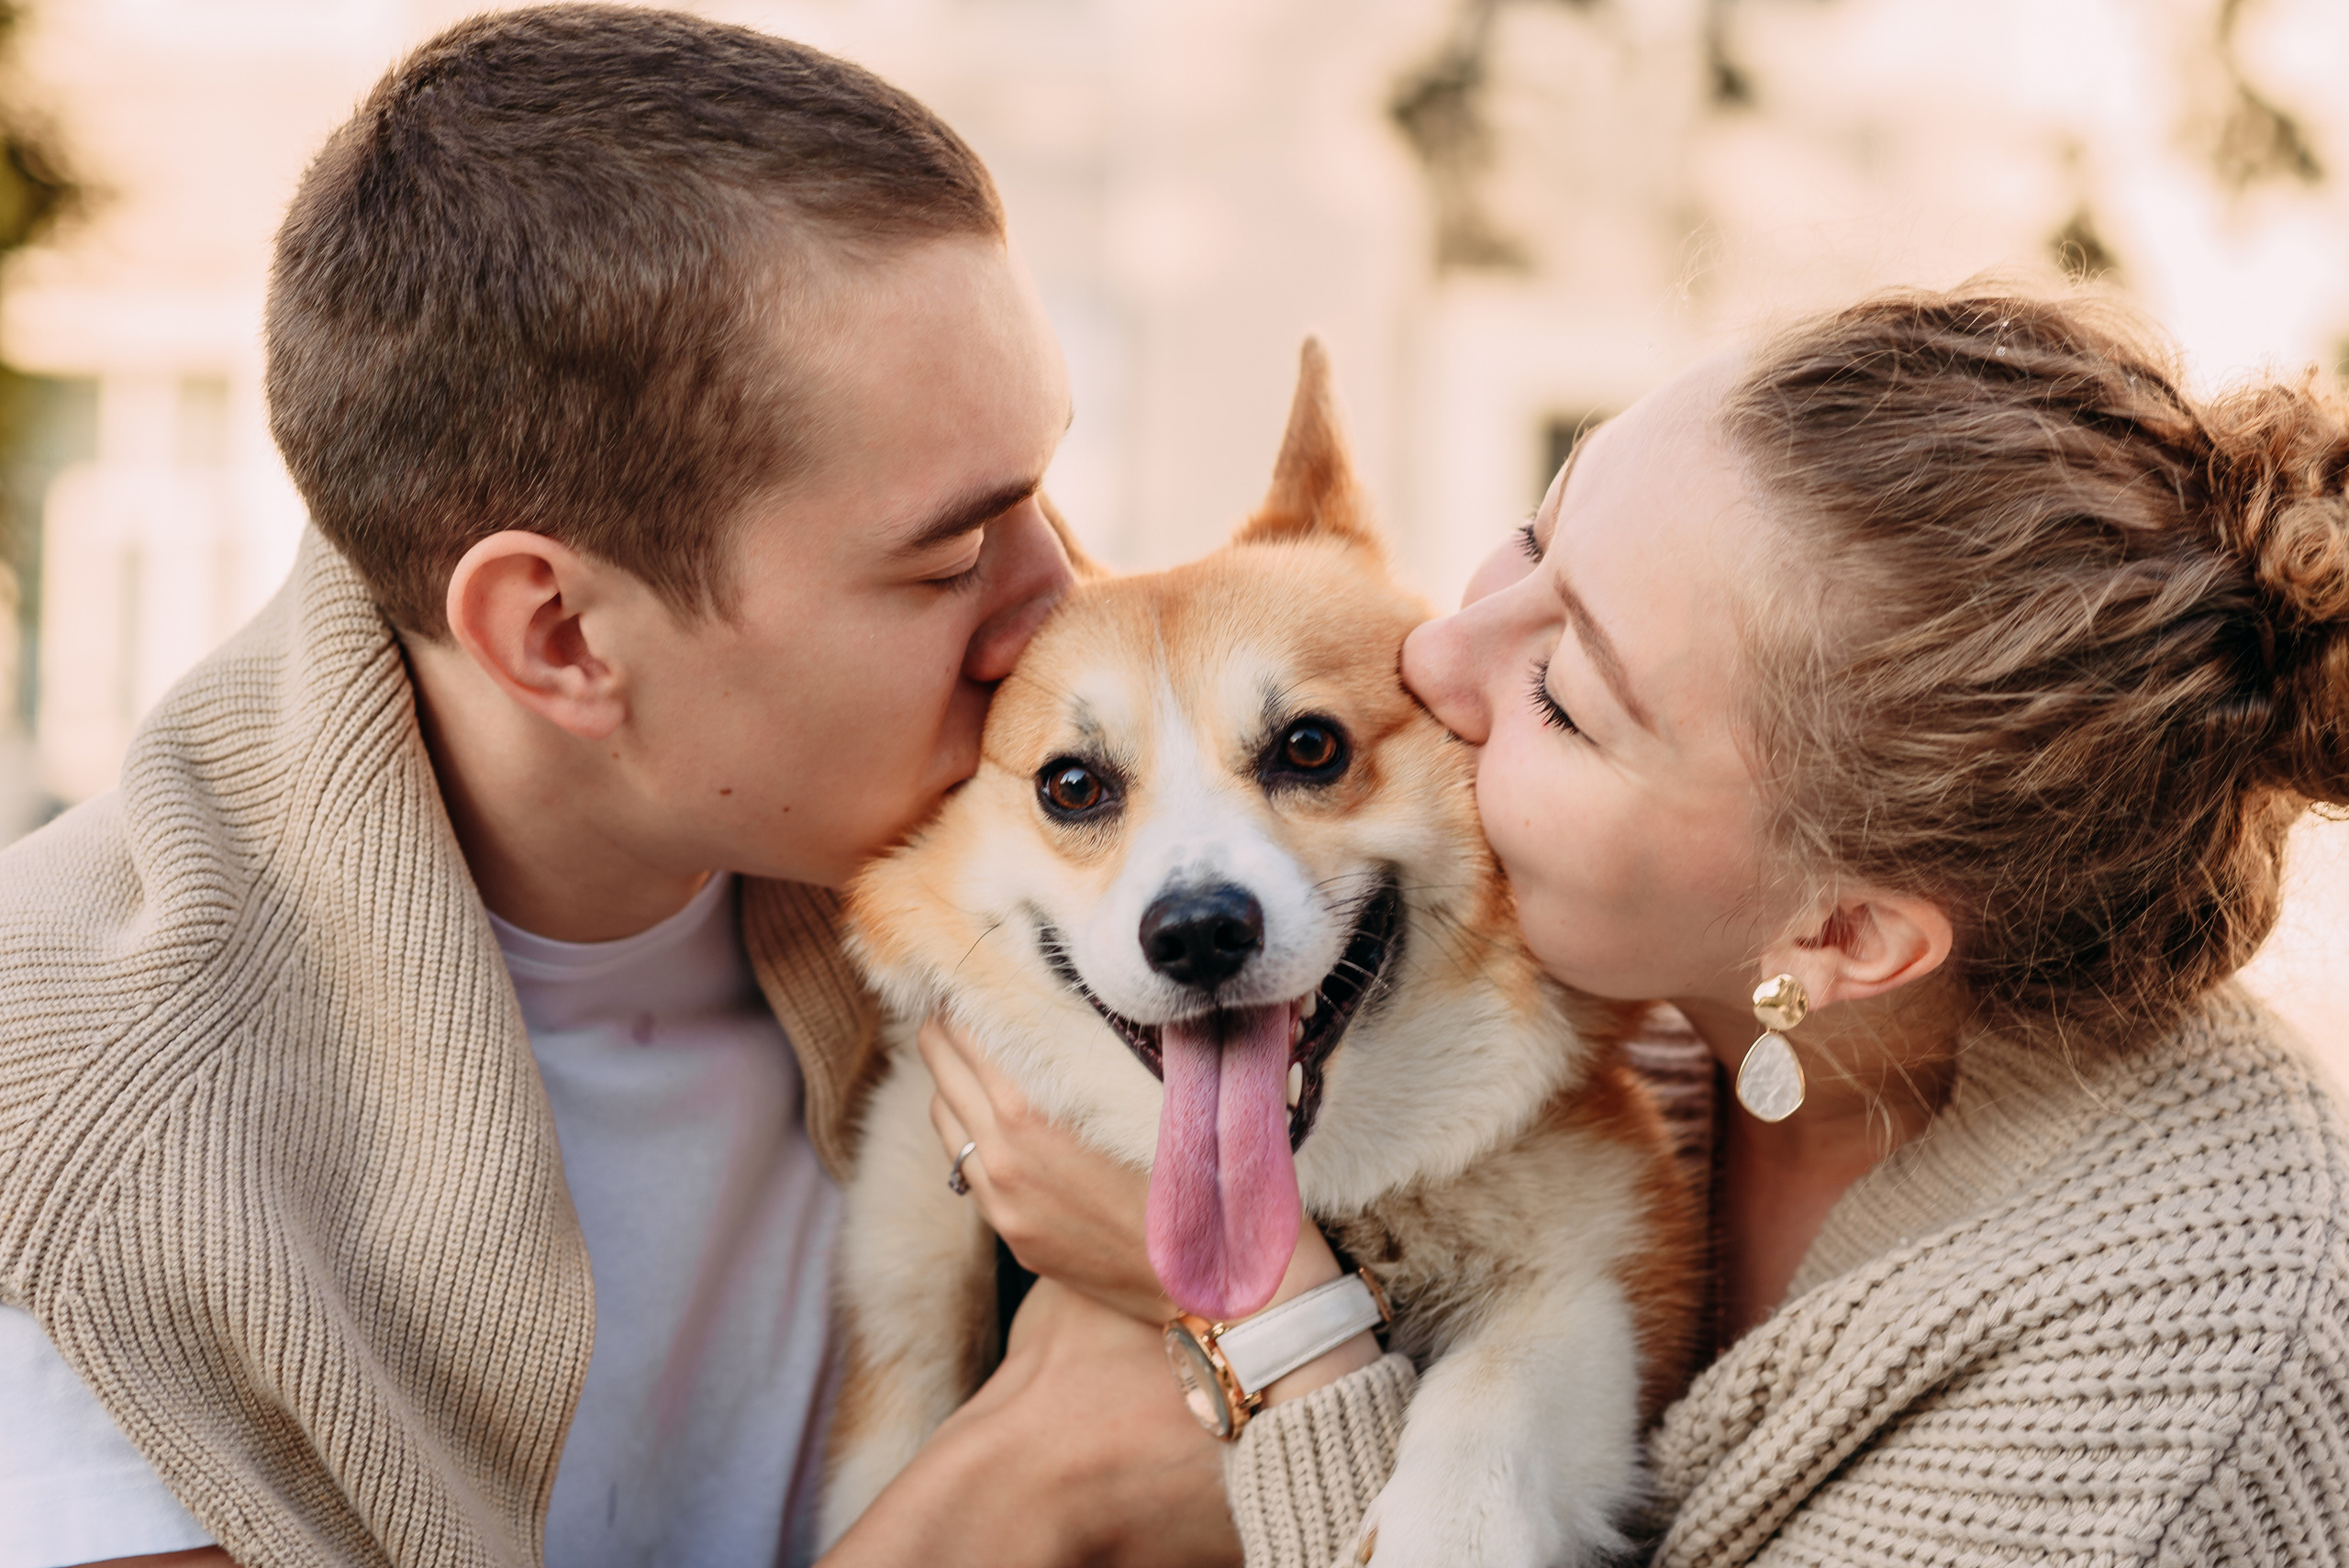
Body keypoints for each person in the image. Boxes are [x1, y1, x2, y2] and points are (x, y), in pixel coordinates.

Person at [0, 8, 1238, 1568]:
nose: (1061, 607)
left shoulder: (1030, 851)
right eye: (947, 558)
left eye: (1042, 486)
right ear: (560, 634)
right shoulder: (70, 1145)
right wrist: (1027, 1486)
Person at [932, 286, 2349, 1565]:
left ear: (1840, 932)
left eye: (1564, 692)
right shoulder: (1645, 994)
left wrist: (1282, 1345)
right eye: (1536, 532)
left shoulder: (2164, 1375)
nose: (1432, 654)